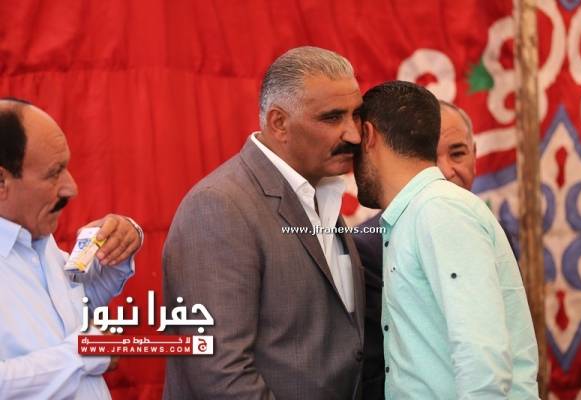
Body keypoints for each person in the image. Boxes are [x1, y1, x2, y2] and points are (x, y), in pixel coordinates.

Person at [162, 46, 365, 400]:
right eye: (333, 118)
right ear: (279, 123)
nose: (354, 135)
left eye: (356, 115)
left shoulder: (321, 191)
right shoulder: (219, 206)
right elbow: (220, 373)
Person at [353, 81, 538, 399]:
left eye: (354, 145)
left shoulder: (439, 210)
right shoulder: (417, 213)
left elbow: (482, 357)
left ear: (368, 136)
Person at [0, 98, 143, 399]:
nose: (71, 188)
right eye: (54, 173)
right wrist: (83, 354)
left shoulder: (36, 237)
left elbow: (72, 308)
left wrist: (114, 250)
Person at [354, 99, 477, 399]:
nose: (445, 171)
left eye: (457, 153)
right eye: (430, 158)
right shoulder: (371, 246)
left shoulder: (491, 231)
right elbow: (375, 368)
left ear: (475, 154)